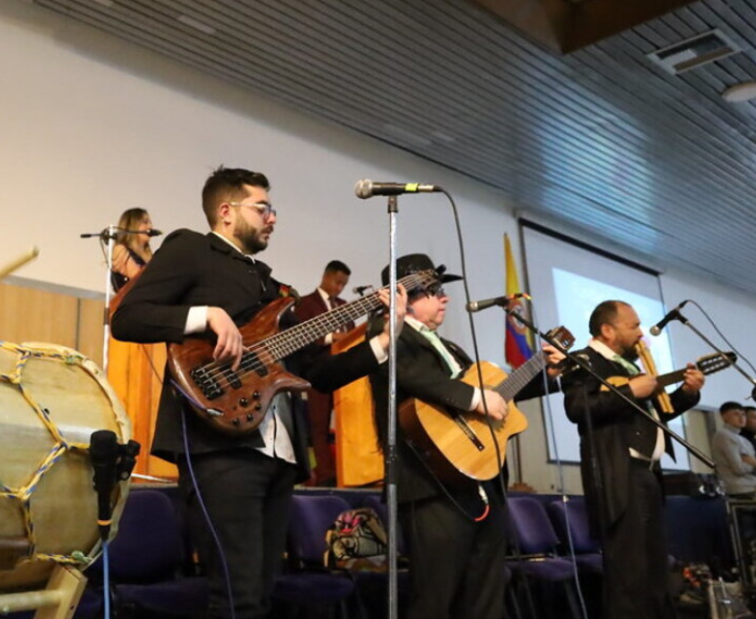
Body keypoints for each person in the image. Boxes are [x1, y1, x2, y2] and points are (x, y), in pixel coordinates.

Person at [111, 166, 402, 619]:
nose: (273, 217)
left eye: (273, 208)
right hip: (219, 447)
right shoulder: (192, 247)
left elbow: (317, 374)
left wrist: (382, 341)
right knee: (235, 597)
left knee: (262, 596)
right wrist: (205, 315)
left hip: (280, 456)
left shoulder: (273, 287)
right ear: (226, 212)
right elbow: (128, 319)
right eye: (262, 207)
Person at [350, 253, 564, 619]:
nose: (444, 297)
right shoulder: (388, 335)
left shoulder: (450, 348)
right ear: (403, 299)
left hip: (479, 482)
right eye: (432, 291)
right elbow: (414, 376)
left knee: (485, 595)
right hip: (429, 485)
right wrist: (475, 398)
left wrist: (548, 373)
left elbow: (498, 392)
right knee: (435, 598)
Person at [562, 300, 704, 619]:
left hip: (647, 474)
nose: (641, 334)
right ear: (607, 330)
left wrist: (688, 393)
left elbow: (658, 415)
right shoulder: (584, 361)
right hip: (618, 475)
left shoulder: (630, 368)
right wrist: (631, 392)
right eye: (634, 326)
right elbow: (578, 408)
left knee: (654, 564)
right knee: (630, 567)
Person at [293, 259, 353, 486]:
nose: (339, 288)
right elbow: (300, 336)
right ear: (326, 277)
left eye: (343, 285)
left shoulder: (345, 306)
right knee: (319, 426)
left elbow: (351, 334)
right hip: (317, 373)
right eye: (337, 282)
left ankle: (346, 471)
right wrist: (329, 338)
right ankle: (325, 474)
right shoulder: (306, 304)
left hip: (343, 374)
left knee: (345, 426)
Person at [713, 402, 756, 497]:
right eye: (736, 414)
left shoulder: (745, 441)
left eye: (743, 414)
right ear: (724, 417)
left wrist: (755, 464)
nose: (741, 418)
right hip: (739, 489)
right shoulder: (723, 435)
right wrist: (755, 464)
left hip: (754, 486)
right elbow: (739, 469)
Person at [109, 207, 155, 292]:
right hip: (130, 303)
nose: (150, 227)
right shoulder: (120, 249)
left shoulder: (151, 256)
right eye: (145, 222)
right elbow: (138, 279)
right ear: (132, 226)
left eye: (150, 222)